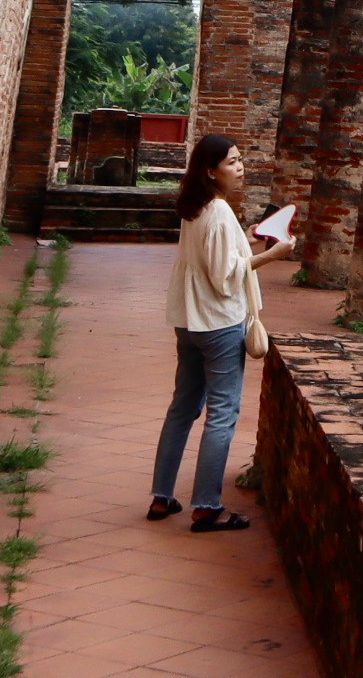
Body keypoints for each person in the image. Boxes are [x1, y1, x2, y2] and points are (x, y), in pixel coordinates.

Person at [149, 135, 294, 530]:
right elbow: (226, 278)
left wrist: (246, 242)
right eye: (231, 162)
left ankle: (161, 497)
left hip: (188, 321)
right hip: (218, 323)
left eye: (240, 159)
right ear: (211, 171)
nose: (240, 166)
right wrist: (273, 255)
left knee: (182, 408)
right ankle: (206, 506)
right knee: (222, 414)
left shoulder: (194, 208)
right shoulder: (218, 212)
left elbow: (215, 258)